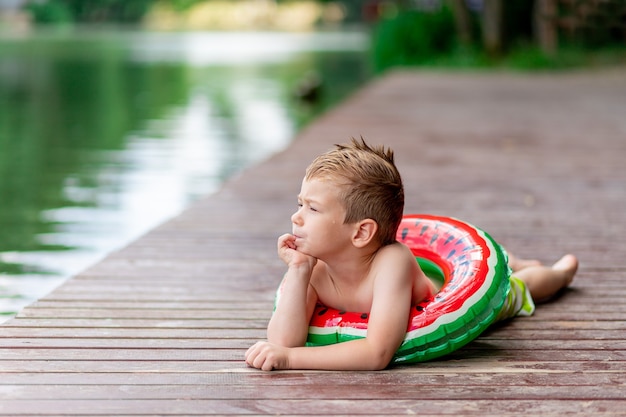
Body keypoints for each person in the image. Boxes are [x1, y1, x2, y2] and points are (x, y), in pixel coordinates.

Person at [245, 138, 578, 371]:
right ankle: (515, 257)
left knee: (516, 288)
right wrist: (299, 270)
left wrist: (292, 360)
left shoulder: (392, 262)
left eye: (312, 209)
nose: (296, 217)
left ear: (361, 233)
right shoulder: (315, 267)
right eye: (299, 203)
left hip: (447, 295)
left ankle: (554, 272)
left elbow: (377, 353)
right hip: (395, 277)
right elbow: (283, 341)